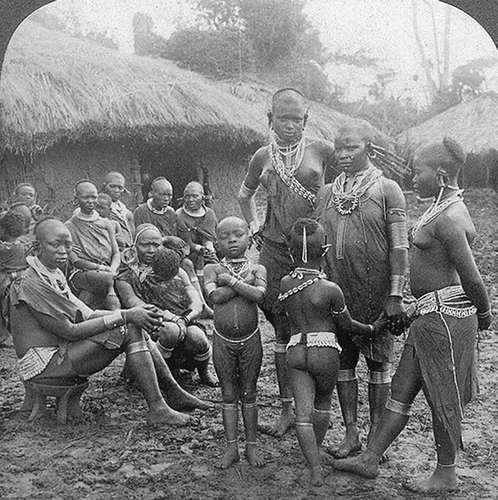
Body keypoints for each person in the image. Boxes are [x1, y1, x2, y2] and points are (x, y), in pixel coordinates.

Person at [332, 137, 492, 495]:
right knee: (400, 391)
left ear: (439, 175)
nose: (411, 177)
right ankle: (370, 457)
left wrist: (484, 313)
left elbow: (472, 277)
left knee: (441, 396)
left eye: (417, 171)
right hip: (427, 317)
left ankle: (446, 473)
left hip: (445, 319)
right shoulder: (439, 207)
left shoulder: (450, 217)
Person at [9, 218, 210, 426]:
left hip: (59, 352)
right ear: (37, 246)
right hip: (43, 364)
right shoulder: (31, 282)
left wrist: (130, 313)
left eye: (68, 246)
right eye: (55, 244)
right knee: (128, 327)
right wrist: (125, 316)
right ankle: (161, 404)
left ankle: (171, 394)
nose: (63, 251)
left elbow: (86, 313)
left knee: (132, 324)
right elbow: (70, 331)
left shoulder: (54, 273)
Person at [238, 87, 334, 436]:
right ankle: (287, 410)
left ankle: (318, 408)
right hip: (276, 251)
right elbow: (244, 194)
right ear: (270, 119)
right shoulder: (263, 156)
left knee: (317, 328)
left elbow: (339, 192)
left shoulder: (323, 151)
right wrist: (253, 224)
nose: (290, 125)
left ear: (305, 120)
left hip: (313, 253)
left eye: (297, 119)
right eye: (283, 118)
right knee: (281, 330)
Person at [314, 120, 409, 458]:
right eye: (338, 148)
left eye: (351, 148)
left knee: (378, 365)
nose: (342, 155)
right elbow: (317, 246)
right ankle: (351, 433)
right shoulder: (327, 193)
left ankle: (375, 437)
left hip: (377, 294)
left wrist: (395, 295)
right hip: (338, 294)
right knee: (344, 361)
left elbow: (400, 248)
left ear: (369, 148)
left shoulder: (388, 190)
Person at [279, 218, 386, 486]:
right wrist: (374, 328)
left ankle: (314, 466)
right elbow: (348, 325)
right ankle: (315, 452)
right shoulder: (330, 290)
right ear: (325, 251)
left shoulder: (284, 283)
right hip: (324, 351)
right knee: (322, 406)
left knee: (302, 415)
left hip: (295, 349)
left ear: (291, 251)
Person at [115, 224, 217, 387]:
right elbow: (135, 303)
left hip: (183, 321)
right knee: (169, 331)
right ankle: (160, 376)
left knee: (198, 338)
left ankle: (204, 373)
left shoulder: (175, 270)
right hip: (149, 324)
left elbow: (196, 301)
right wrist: (171, 318)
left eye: (155, 245)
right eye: (144, 245)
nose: (150, 250)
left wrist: (184, 319)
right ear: (134, 246)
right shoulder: (126, 277)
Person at [204, 217, 267, 469]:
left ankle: (251, 447)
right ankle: (232, 448)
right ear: (217, 242)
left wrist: (231, 281)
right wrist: (243, 284)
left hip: (251, 340)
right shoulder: (212, 270)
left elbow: (259, 295)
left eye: (238, 234)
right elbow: (215, 298)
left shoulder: (258, 269)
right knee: (228, 393)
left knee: (249, 392)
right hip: (223, 341)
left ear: (249, 239)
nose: (231, 240)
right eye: (224, 236)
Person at [134, 177, 213, 317]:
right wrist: (167, 239)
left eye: (169, 195)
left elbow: (177, 239)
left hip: (168, 255)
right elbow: (139, 238)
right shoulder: (141, 211)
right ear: (151, 194)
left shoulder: (171, 213)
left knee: (188, 264)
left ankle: (201, 305)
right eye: (162, 194)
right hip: (148, 255)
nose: (166, 198)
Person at [65, 180, 121, 310]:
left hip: (108, 270)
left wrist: (112, 267)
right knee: (111, 280)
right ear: (76, 198)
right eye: (86, 197)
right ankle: (117, 318)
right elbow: (76, 261)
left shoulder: (107, 224)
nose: (90, 201)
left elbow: (116, 253)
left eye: (94, 197)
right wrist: (103, 269)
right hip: (81, 273)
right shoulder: (69, 226)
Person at [176, 181, 218, 287]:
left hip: (206, 251)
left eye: (195, 196)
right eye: (187, 197)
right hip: (188, 252)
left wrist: (210, 247)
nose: (190, 200)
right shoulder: (179, 215)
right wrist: (200, 249)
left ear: (202, 197)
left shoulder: (209, 214)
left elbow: (209, 237)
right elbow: (186, 242)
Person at [0, 211, 29, 347]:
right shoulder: (24, 245)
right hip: (22, 281)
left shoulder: (3, 249)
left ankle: (2, 335)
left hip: (6, 284)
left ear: (3, 229)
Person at [101, 171, 134, 248]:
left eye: (120, 188)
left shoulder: (125, 210)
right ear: (104, 186)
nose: (116, 190)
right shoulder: (99, 207)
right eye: (112, 186)